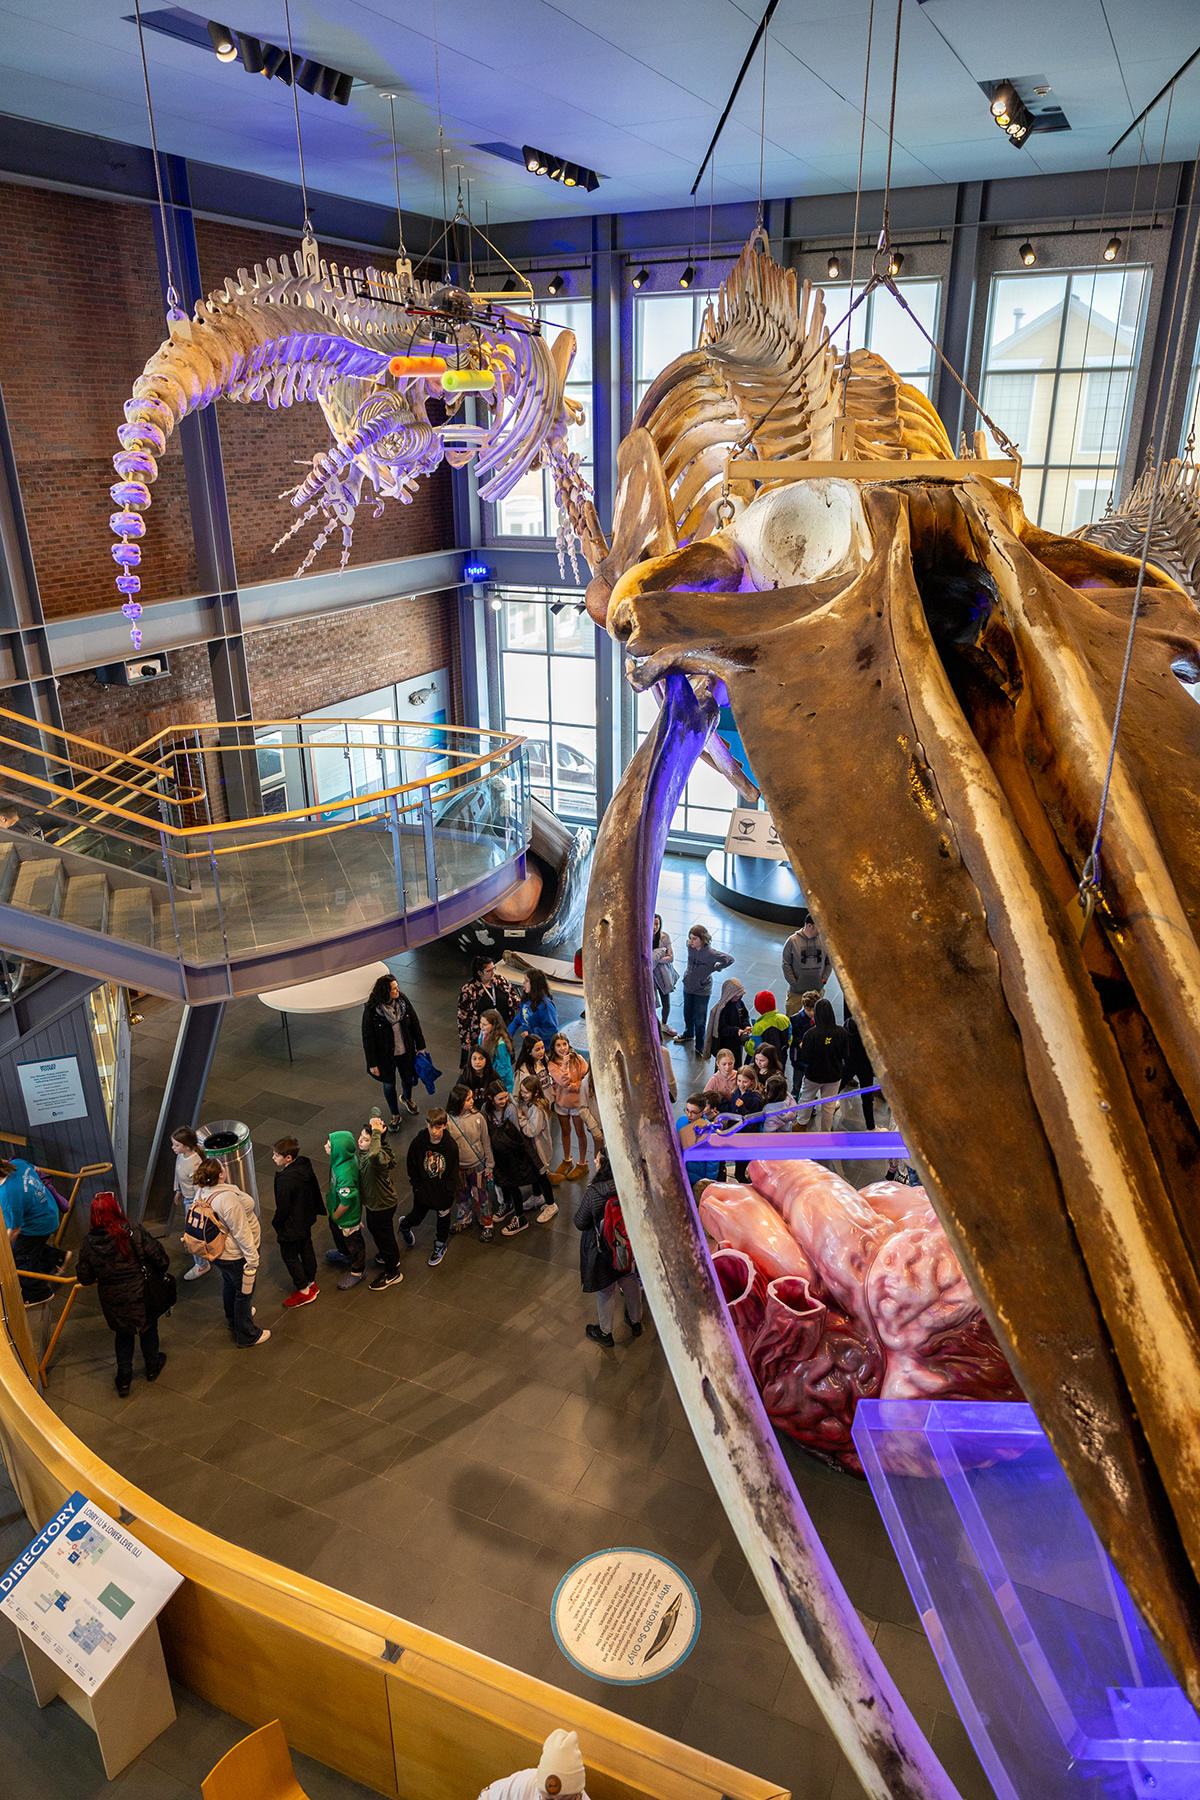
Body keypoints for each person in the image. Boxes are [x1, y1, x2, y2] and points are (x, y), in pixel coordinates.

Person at [75, 1192, 170, 1397]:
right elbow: (160, 1258)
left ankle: (124, 1379)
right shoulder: (133, 1232)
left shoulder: (88, 1243)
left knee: (123, 1334)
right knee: (148, 1328)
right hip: (142, 1293)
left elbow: (85, 1278)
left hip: (113, 1300)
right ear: (115, 1210)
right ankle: (152, 1366)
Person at [186, 1156, 269, 1347]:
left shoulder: (202, 1191)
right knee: (244, 1293)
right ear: (221, 1175)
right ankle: (247, 1335)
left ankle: (233, 1319)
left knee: (229, 1284)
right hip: (235, 1255)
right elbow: (241, 1231)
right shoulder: (228, 1199)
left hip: (217, 1253)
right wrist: (252, 1259)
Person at [574, 1152, 643, 1347]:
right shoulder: (630, 1185)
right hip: (626, 1246)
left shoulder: (594, 1192)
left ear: (605, 1166)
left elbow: (580, 1222)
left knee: (606, 1291)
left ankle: (605, 1332)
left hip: (602, 1251)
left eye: (598, 1159)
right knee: (629, 1279)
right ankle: (636, 1321)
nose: (594, 1160)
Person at [484, 1084, 556, 1234]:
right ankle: (508, 1204)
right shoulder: (486, 1109)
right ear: (491, 1098)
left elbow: (517, 1134)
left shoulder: (511, 1109)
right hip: (497, 1152)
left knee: (519, 1180)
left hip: (513, 1151)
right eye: (500, 1098)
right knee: (502, 1179)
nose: (504, 1100)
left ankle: (523, 1216)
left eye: (505, 1097)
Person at [362, 974, 426, 1126]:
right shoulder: (372, 1010)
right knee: (389, 1084)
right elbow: (368, 1038)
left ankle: (407, 1098)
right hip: (385, 1055)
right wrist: (372, 1064)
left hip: (405, 1050)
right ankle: (395, 1114)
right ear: (385, 992)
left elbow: (414, 1023)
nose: (398, 990)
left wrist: (420, 1046)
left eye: (397, 987)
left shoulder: (402, 1001)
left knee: (408, 1078)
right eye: (394, 989)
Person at [0, 1155, 65, 1299]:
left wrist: (4, 1252)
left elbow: (14, 1230)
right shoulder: (17, 1164)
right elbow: (36, 1169)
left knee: (21, 1259)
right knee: (29, 1248)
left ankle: (38, 1294)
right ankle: (56, 1258)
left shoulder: (7, 1197)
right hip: (48, 1208)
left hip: (39, 1225)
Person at [402, 1108, 459, 1266]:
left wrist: (449, 1193)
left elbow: (453, 1171)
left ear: (445, 1126)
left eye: (438, 1127)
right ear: (426, 1124)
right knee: (416, 1217)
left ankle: (441, 1244)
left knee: (443, 1219)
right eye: (431, 1127)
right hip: (423, 1190)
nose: (434, 1131)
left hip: (442, 1192)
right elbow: (411, 1164)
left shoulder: (450, 1146)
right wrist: (416, 1187)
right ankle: (404, 1226)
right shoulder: (418, 1143)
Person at [270, 1135, 323, 1307]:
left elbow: (283, 1207)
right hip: (305, 1219)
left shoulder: (285, 1179)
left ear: (288, 1158)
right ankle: (311, 1282)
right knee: (306, 1247)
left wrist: (276, 1223)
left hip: (291, 1225)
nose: (273, 1158)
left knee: (290, 1256)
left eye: (276, 1155)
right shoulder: (304, 1166)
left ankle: (303, 1291)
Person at [477, 1728, 590, 1800]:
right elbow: (487, 1797)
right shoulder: (526, 1783)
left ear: (578, 1796)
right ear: (539, 1790)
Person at [359, 1116, 403, 1291]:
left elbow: (374, 1153)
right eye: (361, 1136)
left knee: (384, 1237)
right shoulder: (372, 1152)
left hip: (382, 1205)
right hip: (376, 1203)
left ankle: (392, 1272)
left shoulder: (376, 1158)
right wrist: (375, 1122)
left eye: (366, 1139)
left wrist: (376, 1132)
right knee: (379, 1232)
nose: (360, 1140)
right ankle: (390, 1257)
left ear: (375, 1142)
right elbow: (375, 1111)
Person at [447, 1085, 496, 1237]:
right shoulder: (448, 1120)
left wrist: (490, 1165)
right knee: (461, 1196)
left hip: (477, 1166)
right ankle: (464, 1220)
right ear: (458, 1101)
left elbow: (486, 1142)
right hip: (459, 1167)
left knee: (481, 1197)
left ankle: (487, 1223)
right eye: (468, 1099)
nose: (472, 1101)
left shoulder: (478, 1118)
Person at [677, 924, 733, 1053]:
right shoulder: (689, 947)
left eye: (694, 939)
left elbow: (729, 959)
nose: (691, 941)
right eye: (690, 938)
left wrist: (716, 968)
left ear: (702, 939)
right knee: (687, 1013)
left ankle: (700, 1046)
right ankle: (688, 1033)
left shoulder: (711, 954)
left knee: (699, 1019)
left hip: (702, 990)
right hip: (688, 986)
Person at [796, 997, 848, 1131]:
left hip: (814, 1075)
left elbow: (805, 1058)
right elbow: (845, 1054)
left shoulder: (811, 1034)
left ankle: (801, 1124)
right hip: (834, 1075)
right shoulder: (841, 1032)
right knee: (829, 1106)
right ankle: (825, 1132)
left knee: (806, 1099)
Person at [324, 1130, 366, 1290]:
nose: (325, 1147)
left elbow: (347, 1201)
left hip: (347, 1217)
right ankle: (344, 1254)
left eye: (330, 1146)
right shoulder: (340, 1160)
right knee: (337, 1233)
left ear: (339, 1151)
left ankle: (358, 1271)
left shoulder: (345, 1173)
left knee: (354, 1243)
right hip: (337, 1214)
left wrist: (336, 1215)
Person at [516, 1075, 560, 1224]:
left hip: (540, 1150)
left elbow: (531, 1131)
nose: (523, 1094)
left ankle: (551, 1204)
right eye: (522, 1091)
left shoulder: (537, 1109)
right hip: (535, 1149)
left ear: (535, 1093)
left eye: (526, 1092)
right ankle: (537, 1196)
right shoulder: (532, 1104)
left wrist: (521, 1118)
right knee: (535, 1172)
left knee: (542, 1175)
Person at [458, 957, 517, 1065]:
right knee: (483, 1060)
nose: (493, 972)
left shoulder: (500, 981)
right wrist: (465, 1040)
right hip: (482, 1030)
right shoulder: (469, 990)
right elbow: (463, 1016)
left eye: (493, 968)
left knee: (502, 1059)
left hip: (502, 1027)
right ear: (480, 973)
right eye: (489, 971)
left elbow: (513, 997)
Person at [547, 1033, 590, 1179]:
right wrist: (565, 1065)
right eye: (558, 1045)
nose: (562, 1048)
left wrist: (574, 1087)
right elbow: (563, 1082)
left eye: (564, 1044)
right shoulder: (552, 1065)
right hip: (562, 1104)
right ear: (553, 1047)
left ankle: (582, 1163)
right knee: (565, 1131)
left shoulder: (578, 1059)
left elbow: (587, 1079)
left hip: (577, 1104)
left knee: (580, 1131)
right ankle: (567, 1160)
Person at [171, 1127, 207, 1281]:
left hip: (194, 1202)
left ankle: (202, 1264)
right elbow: (178, 1172)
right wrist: (178, 1190)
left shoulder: (194, 1165)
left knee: (193, 1234)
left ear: (186, 1146)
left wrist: (194, 1209)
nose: (173, 1148)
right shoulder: (182, 1155)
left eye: (176, 1145)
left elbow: (199, 1189)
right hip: (188, 1198)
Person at [782, 917, 832, 1013]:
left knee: (816, 1017)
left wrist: (824, 979)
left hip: (817, 992)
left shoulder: (824, 941)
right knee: (793, 1017)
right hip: (797, 994)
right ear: (809, 926)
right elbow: (786, 964)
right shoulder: (792, 941)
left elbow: (829, 962)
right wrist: (794, 983)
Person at [677, 1095, 721, 1197]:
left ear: (702, 1112)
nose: (689, 1115)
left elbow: (713, 1161)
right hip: (681, 1172)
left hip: (698, 1178)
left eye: (693, 1112)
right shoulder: (681, 1121)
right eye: (687, 1110)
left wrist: (707, 1184)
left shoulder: (710, 1130)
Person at [843, 1007, 879, 1130]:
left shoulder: (848, 1024)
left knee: (836, 1088)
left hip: (849, 1063)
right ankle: (871, 1127)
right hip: (865, 1068)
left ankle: (827, 1109)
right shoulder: (869, 1030)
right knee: (867, 1098)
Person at [702, 976, 749, 1064]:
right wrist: (736, 1030)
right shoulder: (721, 1010)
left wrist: (746, 1025)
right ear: (729, 994)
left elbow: (745, 1016)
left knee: (736, 1062)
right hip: (725, 1043)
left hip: (736, 1041)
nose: (738, 997)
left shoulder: (739, 1003)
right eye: (736, 995)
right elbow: (722, 1029)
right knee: (724, 1064)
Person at [730, 1066, 764, 1182]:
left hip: (747, 1138)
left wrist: (742, 1108)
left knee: (739, 1173)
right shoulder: (736, 1093)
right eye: (739, 1080)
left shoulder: (754, 1099)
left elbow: (753, 1124)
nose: (741, 1084)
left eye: (745, 1081)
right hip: (737, 1135)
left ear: (752, 1081)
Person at [788, 990, 821, 1097]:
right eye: (809, 1010)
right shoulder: (795, 1019)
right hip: (799, 1058)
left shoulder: (820, 1019)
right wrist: (799, 1043)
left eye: (814, 1010)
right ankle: (795, 1097)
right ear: (804, 1007)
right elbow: (791, 1037)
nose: (812, 1013)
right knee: (797, 1081)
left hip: (813, 1059)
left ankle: (809, 1099)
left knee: (811, 1082)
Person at [516, 969, 559, 1047]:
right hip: (530, 1045)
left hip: (543, 1047)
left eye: (527, 981)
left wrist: (531, 1033)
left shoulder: (545, 1005)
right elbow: (523, 1018)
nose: (524, 983)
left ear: (534, 985)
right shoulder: (526, 1000)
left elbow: (551, 1029)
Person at [746, 990, 791, 1058]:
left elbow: (753, 1050)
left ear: (758, 1007)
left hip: (764, 1061)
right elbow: (789, 1038)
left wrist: (745, 1040)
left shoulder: (759, 1027)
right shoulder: (785, 1019)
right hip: (781, 1057)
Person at [651, 914, 677, 1035]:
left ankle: (664, 1024)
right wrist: (661, 954)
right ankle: (653, 1024)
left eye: (657, 924)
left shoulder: (664, 937)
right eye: (652, 923)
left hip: (663, 974)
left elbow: (671, 958)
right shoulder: (643, 937)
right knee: (651, 1001)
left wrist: (654, 958)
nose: (655, 927)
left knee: (666, 1001)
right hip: (650, 976)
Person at [479, 1009, 516, 1090]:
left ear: (494, 1026)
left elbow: (504, 1068)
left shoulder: (500, 1044)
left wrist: (491, 1079)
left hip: (501, 1084)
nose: (481, 1026)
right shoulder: (484, 1033)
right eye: (480, 1023)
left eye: (484, 1024)